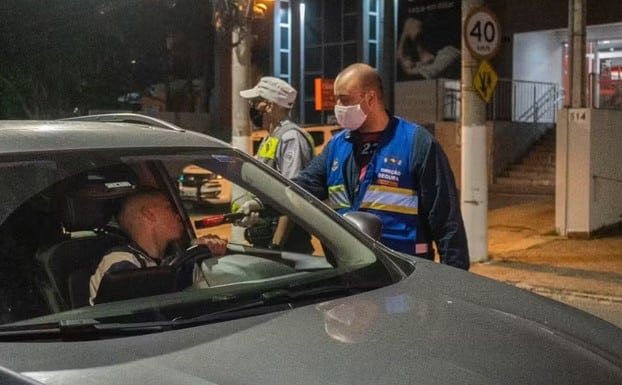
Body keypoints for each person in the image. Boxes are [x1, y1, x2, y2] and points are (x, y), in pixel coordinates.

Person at [292, 63, 469, 270]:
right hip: (350, 271)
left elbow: (447, 223)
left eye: (345, 99)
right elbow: (299, 188)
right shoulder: (337, 147)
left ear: (370, 98)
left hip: (406, 272)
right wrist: (259, 198)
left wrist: (454, 286)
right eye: (336, 100)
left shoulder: (415, 143)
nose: (338, 107)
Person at [89, 188, 227, 304]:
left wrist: (207, 253)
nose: (178, 216)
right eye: (168, 208)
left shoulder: (168, 260)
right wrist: (190, 261)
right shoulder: (118, 260)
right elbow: (146, 305)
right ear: (149, 214)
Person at [235, 76, 315, 253]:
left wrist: (277, 246)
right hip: (267, 236)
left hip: (288, 244)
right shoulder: (269, 138)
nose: (252, 108)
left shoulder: (291, 138)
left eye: (255, 103)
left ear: (269, 106)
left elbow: (293, 196)